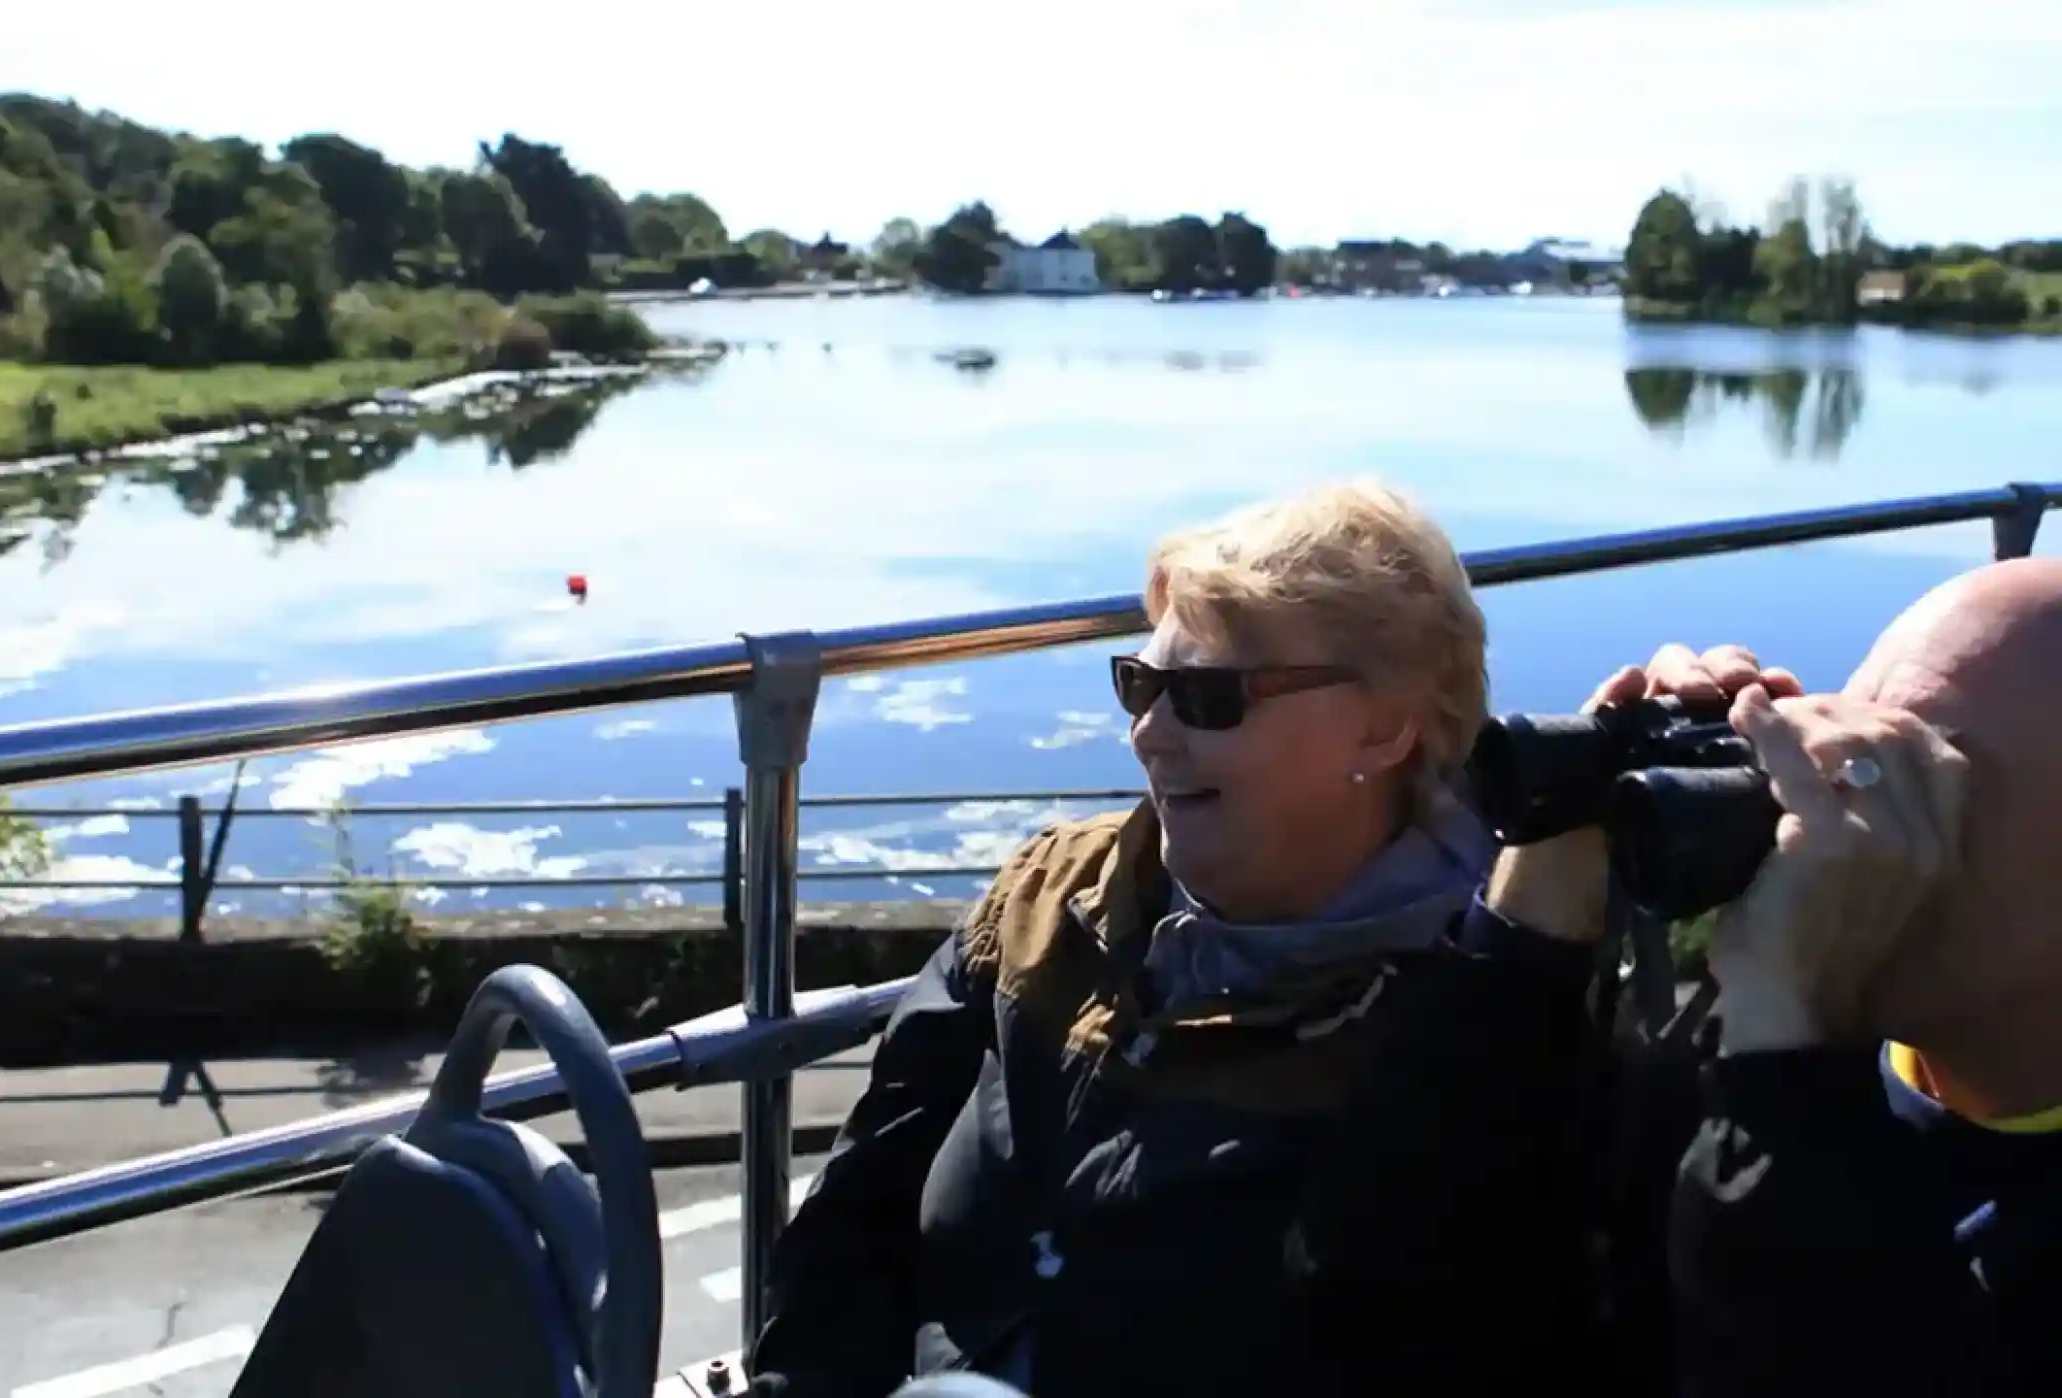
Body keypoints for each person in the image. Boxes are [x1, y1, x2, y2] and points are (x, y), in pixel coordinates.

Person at [744, 478, 1612, 1398]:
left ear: (1387, 726)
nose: (1148, 736)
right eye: (1141, 686)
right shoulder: (1046, 902)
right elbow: (849, 1241)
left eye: (1208, 698)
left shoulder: (1491, 999)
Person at [1492, 557, 2062, 1397]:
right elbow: (1401, 1318)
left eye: (1933, 778)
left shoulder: (1777, 1072)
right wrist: (1526, 946)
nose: (1842, 822)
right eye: (1851, 739)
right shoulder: (1723, 1081)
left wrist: (1787, 1091)